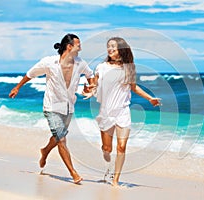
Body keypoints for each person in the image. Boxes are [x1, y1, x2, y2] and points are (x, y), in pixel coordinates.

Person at [9, 33, 94, 184]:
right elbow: (31, 74)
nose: (80, 48)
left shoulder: (80, 63)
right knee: (61, 139)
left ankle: (45, 151)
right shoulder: (49, 62)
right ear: (70, 46)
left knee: (57, 137)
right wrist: (17, 87)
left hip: (69, 107)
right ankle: (73, 173)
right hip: (52, 106)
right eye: (78, 45)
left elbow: (90, 75)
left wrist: (90, 87)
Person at [83, 37, 161, 186]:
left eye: (113, 46)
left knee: (122, 147)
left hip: (123, 112)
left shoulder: (129, 68)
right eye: (108, 47)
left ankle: (116, 180)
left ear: (121, 49)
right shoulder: (101, 67)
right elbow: (95, 85)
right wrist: (89, 91)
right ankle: (106, 158)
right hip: (106, 112)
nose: (110, 49)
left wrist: (150, 98)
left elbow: (133, 87)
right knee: (107, 148)